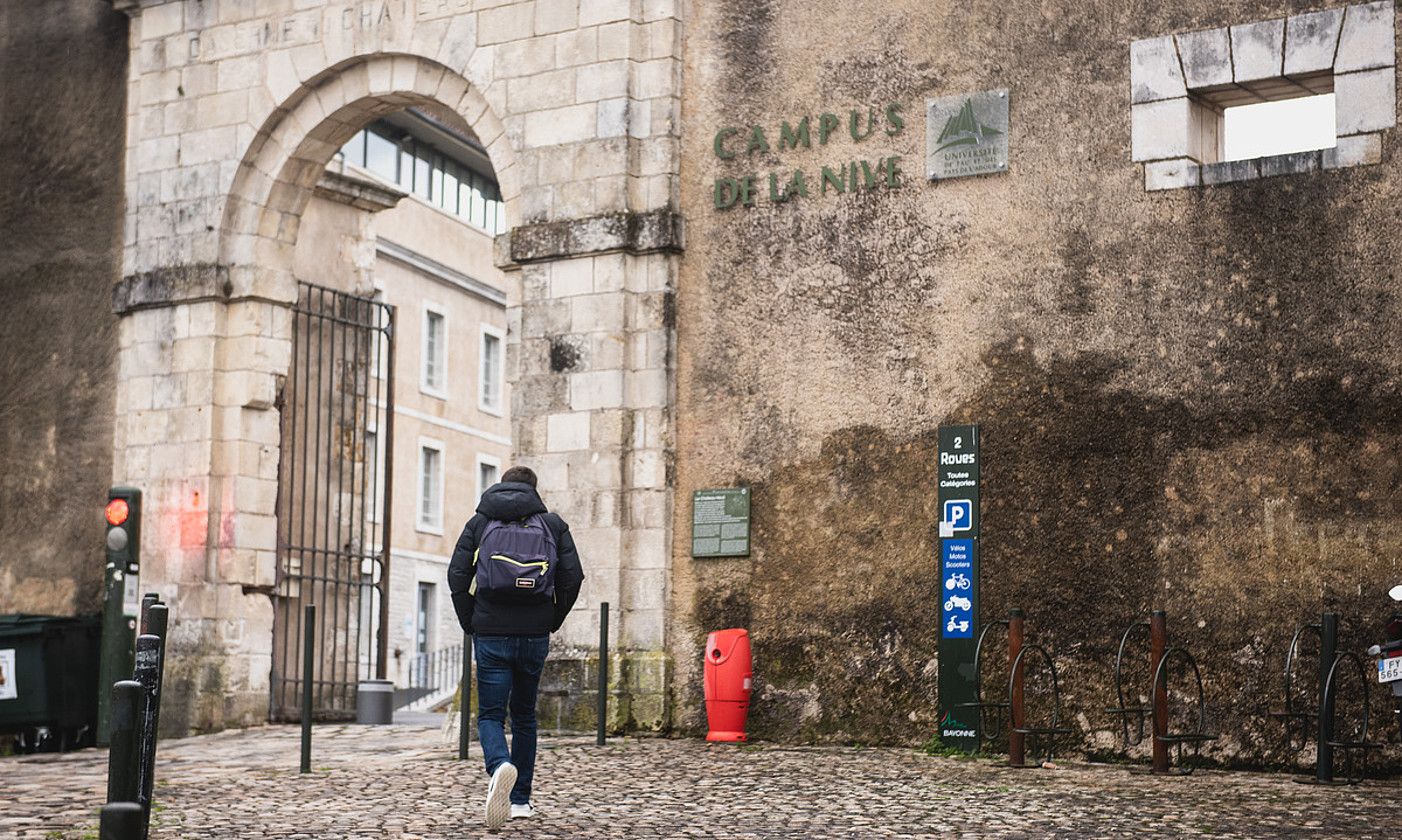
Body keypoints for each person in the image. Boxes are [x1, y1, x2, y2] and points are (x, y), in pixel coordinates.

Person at [447, 465, 584, 830]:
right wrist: (551, 618)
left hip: (490, 631)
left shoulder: (479, 522)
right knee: (524, 716)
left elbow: (457, 575)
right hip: (534, 633)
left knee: (491, 715)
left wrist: (471, 620)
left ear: (501, 487)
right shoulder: (552, 524)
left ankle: (498, 765)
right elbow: (573, 577)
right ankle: (520, 799)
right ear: (534, 490)